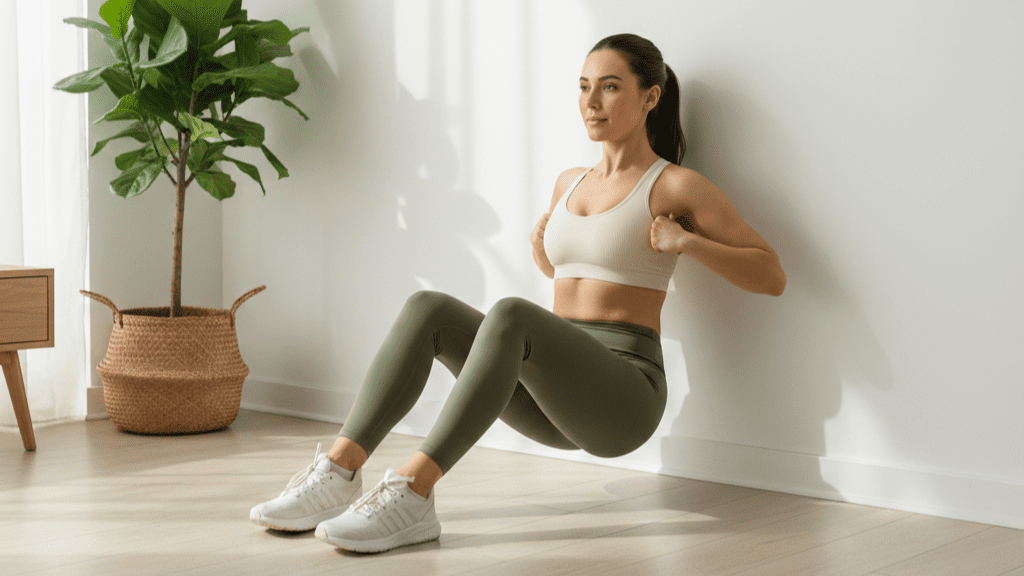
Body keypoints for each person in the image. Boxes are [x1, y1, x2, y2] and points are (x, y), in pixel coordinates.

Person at [249, 32, 786, 554]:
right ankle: (338, 473)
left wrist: (685, 241)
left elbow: (770, 274)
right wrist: (542, 254)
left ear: (650, 97)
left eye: (610, 87)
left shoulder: (674, 185)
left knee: (510, 313)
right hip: (555, 394)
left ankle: (413, 493)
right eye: (582, 86)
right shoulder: (569, 182)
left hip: (623, 395)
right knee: (427, 308)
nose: (591, 102)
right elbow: (576, 279)